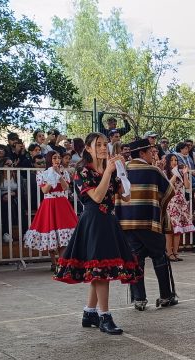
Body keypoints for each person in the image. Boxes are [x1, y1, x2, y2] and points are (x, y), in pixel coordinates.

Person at [53, 132, 137, 336]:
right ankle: (104, 316)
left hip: (108, 220)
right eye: (97, 144)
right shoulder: (82, 171)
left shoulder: (108, 168)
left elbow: (126, 197)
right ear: (88, 148)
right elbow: (97, 197)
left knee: (98, 270)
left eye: (105, 144)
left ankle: (89, 312)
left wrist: (122, 174)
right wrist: (109, 171)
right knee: (101, 272)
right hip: (93, 222)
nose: (102, 147)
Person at [115, 139, 178, 311]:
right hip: (149, 222)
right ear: (141, 153)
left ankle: (139, 299)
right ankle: (166, 296)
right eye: (151, 152)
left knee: (135, 259)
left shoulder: (122, 169)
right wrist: (159, 210)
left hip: (126, 224)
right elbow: (169, 192)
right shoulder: (153, 170)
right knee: (159, 257)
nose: (154, 154)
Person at [23, 151, 78, 268]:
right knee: (50, 232)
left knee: (64, 234)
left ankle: (62, 263)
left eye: (59, 157)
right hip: (49, 204)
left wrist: (59, 175)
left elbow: (65, 187)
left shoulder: (64, 172)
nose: (57, 160)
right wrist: (52, 176)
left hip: (62, 204)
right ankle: (54, 262)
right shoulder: (43, 174)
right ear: (49, 160)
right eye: (54, 158)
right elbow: (45, 190)